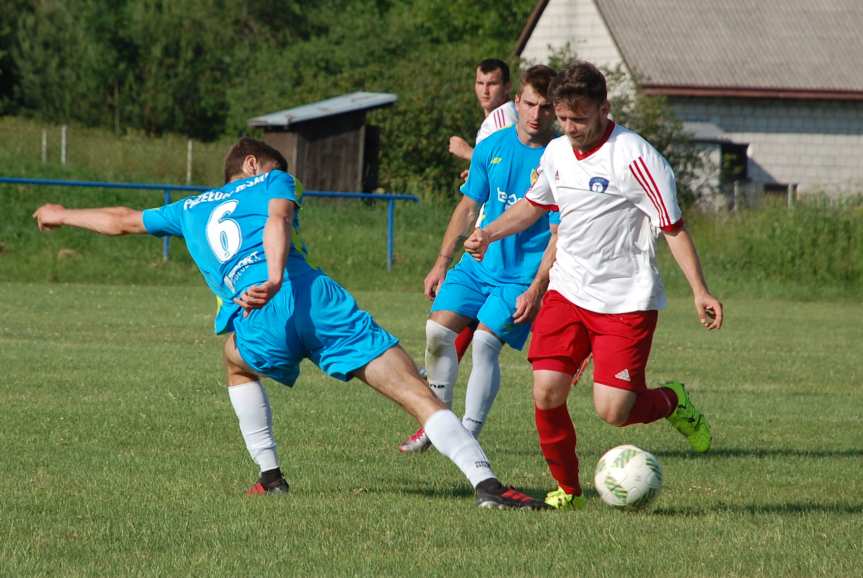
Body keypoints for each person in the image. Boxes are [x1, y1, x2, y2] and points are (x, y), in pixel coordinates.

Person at [32, 137, 547, 510]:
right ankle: (487, 486)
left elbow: (122, 220)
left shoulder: (189, 209)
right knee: (416, 392)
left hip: (255, 319)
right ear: (253, 164)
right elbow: (278, 219)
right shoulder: (273, 179)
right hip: (307, 297)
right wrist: (276, 275)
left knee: (235, 363)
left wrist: (61, 213)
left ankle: (271, 476)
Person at [464, 61, 724, 510]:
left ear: (605, 108)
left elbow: (674, 228)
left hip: (625, 300)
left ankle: (669, 401)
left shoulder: (636, 157)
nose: (570, 127)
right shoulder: (557, 153)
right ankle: (569, 490)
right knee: (546, 391)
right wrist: (489, 231)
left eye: (579, 118)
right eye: (563, 119)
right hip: (567, 291)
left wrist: (700, 291)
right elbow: (534, 205)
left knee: (614, 411)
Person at [400, 65, 560, 453]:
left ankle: (467, 434)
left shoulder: (560, 158)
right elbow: (469, 205)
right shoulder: (492, 146)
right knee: (438, 333)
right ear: (517, 102)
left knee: (486, 343)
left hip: (521, 274)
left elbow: (560, 232)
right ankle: (438, 420)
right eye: (531, 104)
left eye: (546, 108)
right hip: (478, 264)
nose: (537, 115)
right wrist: (441, 261)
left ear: (556, 111)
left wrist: (538, 286)